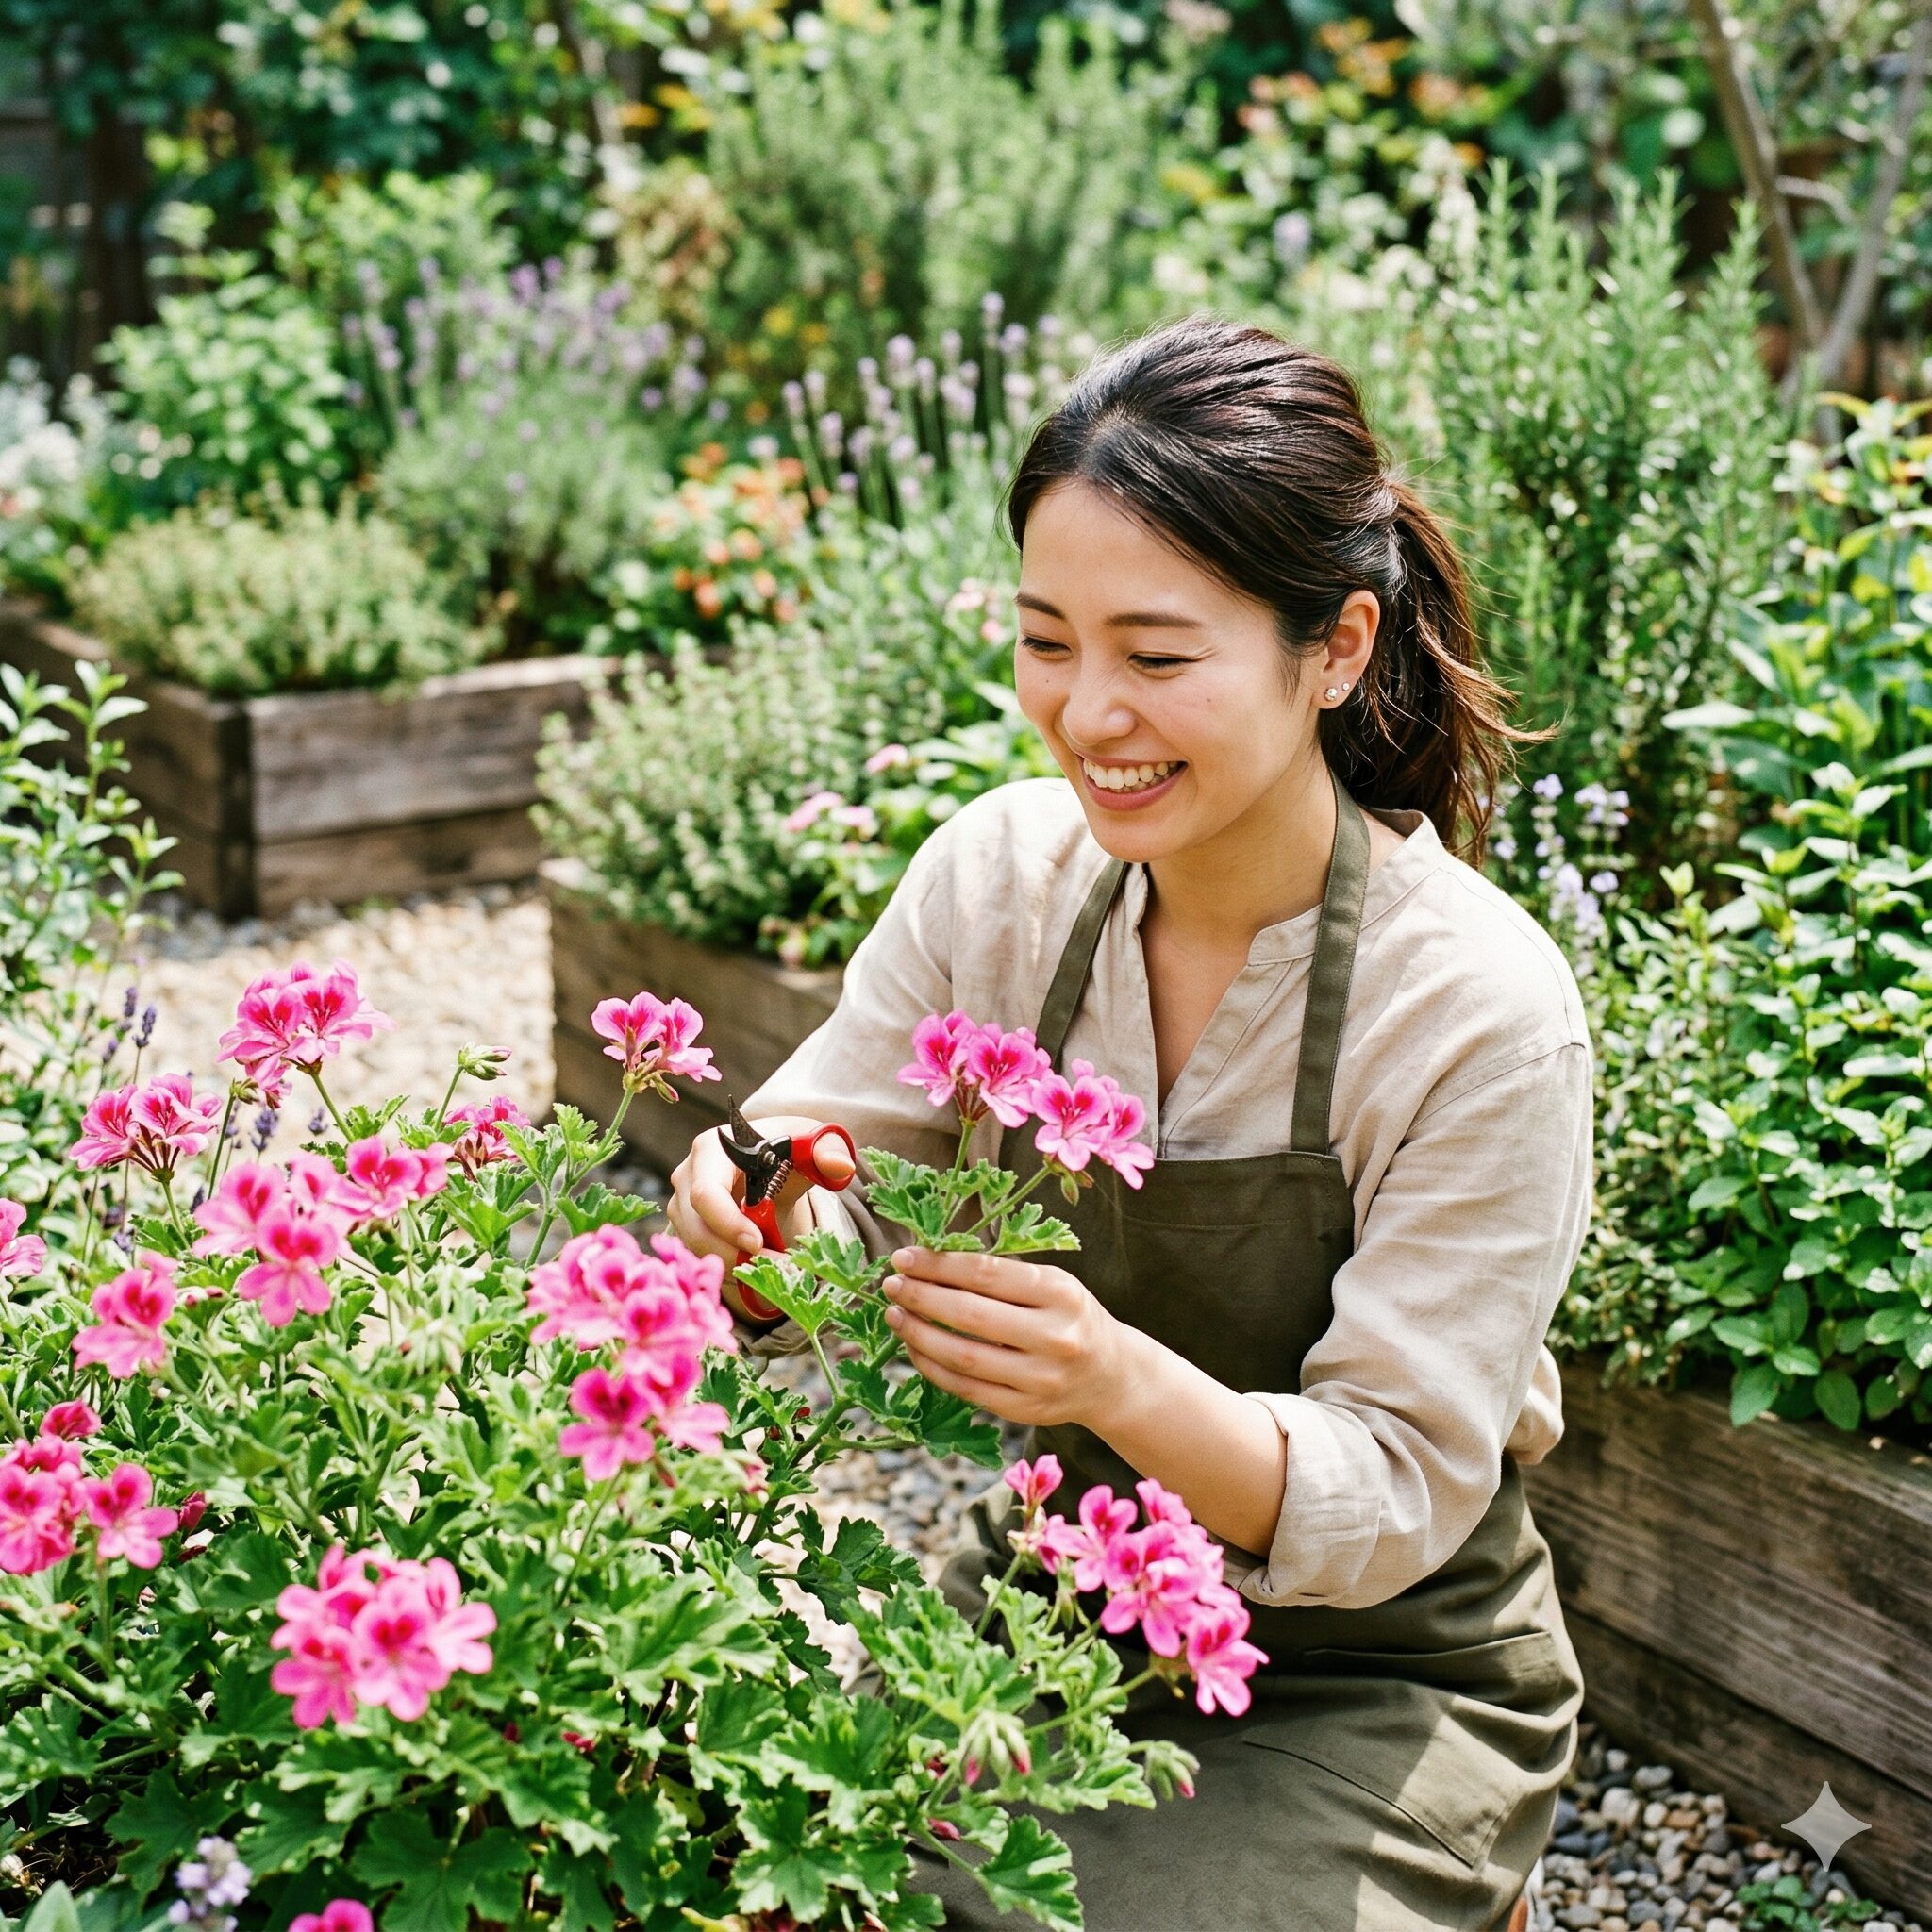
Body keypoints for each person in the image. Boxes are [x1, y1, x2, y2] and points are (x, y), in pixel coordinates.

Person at [667, 314, 1591, 1931]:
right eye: (1047, 641)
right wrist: (757, 1221)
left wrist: (1111, 1378)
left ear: (1339, 648)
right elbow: (834, 1166)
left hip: (1371, 1667)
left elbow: (1388, 1488)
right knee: (753, 1863)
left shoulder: (1477, 1013)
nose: (1089, 712)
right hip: (1058, 1599)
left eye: (1158, 657)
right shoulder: (1003, 883)